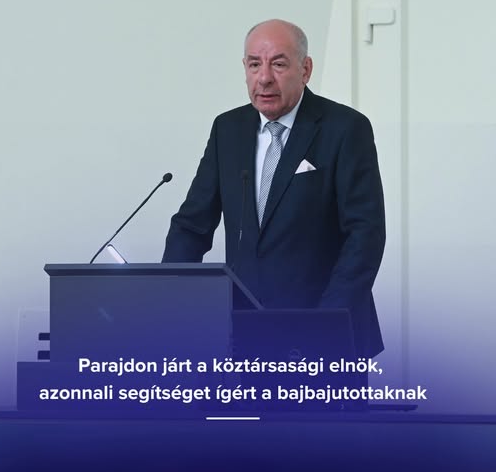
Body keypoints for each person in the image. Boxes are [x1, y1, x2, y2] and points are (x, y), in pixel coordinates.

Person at [162, 19, 386, 358]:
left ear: (305, 69)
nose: (264, 77)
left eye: (278, 64)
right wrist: (169, 298)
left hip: (326, 333)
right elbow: (192, 225)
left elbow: (364, 235)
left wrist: (326, 322)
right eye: (255, 65)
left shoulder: (345, 128)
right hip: (247, 334)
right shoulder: (228, 129)